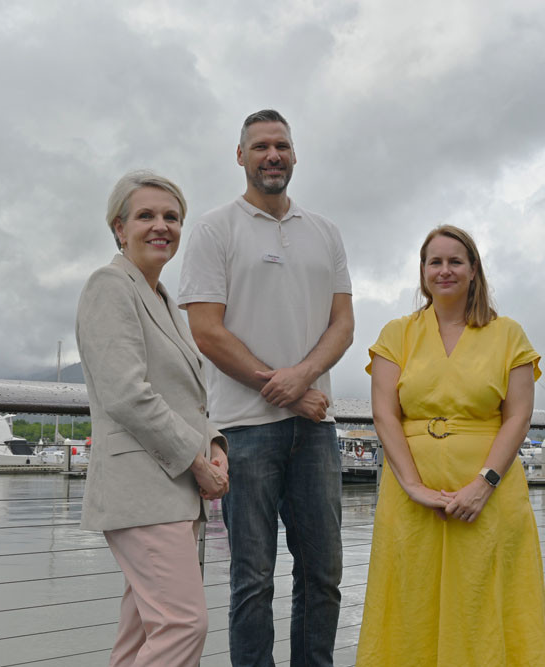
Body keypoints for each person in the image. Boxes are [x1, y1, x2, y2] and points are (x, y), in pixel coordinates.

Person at [178, 109, 354, 666]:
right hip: (243, 429)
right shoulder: (214, 228)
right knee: (252, 579)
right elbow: (205, 329)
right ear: (240, 156)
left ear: (295, 155)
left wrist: (302, 381)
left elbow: (343, 324)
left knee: (323, 574)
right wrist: (281, 388)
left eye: (281, 145)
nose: (271, 155)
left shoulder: (325, 232)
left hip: (316, 430)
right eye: (259, 147)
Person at [356, 225, 545, 666]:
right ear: (423, 272)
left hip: (489, 495)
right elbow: (385, 413)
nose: (444, 270)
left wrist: (485, 483)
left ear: (473, 269)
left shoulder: (508, 334)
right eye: (435, 262)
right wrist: (411, 485)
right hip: (411, 496)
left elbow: (517, 416)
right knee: (410, 598)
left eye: (455, 261)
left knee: (484, 597)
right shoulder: (397, 333)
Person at [77, 169, 230, 666]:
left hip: (172, 490)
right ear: (119, 228)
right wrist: (196, 460)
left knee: (144, 634)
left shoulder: (164, 300)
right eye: (146, 216)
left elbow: (186, 397)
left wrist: (216, 444)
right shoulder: (109, 285)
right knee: (184, 624)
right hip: (141, 488)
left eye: (171, 217)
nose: (161, 226)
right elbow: (126, 393)